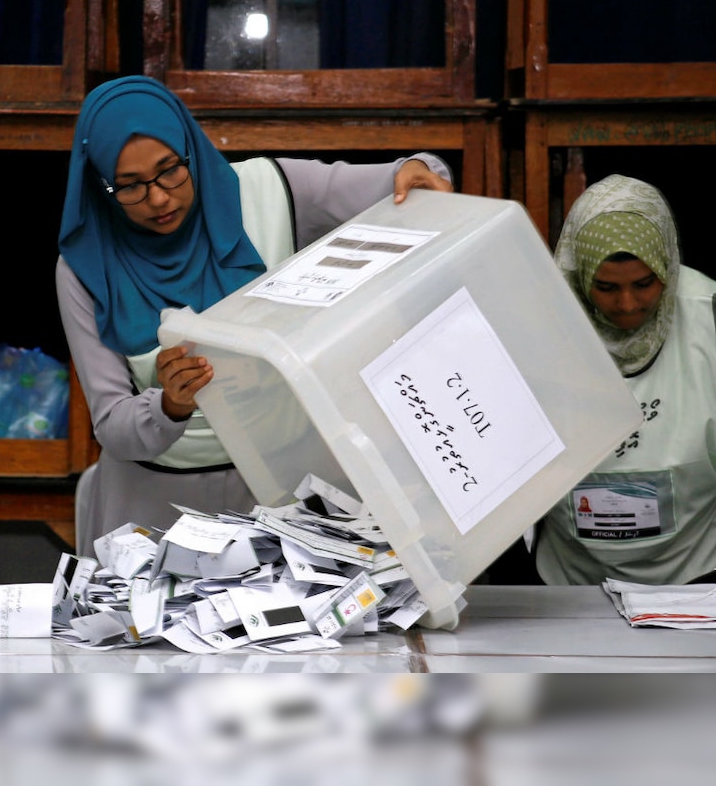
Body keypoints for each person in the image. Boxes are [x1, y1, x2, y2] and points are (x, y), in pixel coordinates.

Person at [58, 75, 454, 554]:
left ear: (189, 148)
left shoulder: (272, 190)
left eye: (170, 171)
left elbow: (400, 181)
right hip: (155, 510)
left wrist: (418, 169)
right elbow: (113, 425)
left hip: (285, 491)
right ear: (101, 185)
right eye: (130, 186)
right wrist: (170, 406)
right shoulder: (84, 266)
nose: (159, 198)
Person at [531, 174, 716, 585]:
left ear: (668, 266)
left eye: (645, 283)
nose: (627, 305)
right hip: (568, 578)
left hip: (700, 571)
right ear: (579, 276)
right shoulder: (538, 324)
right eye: (604, 287)